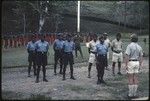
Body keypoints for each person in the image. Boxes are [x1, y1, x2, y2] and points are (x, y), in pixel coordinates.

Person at [125, 34, 143, 99]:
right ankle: (134, 94)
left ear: (131, 39)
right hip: (137, 62)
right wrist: (140, 65)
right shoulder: (139, 46)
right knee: (135, 78)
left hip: (131, 62)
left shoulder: (129, 46)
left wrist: (126, 65)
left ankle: (130, 94)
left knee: (130, 78)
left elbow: (127, 56)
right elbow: (141, 56)